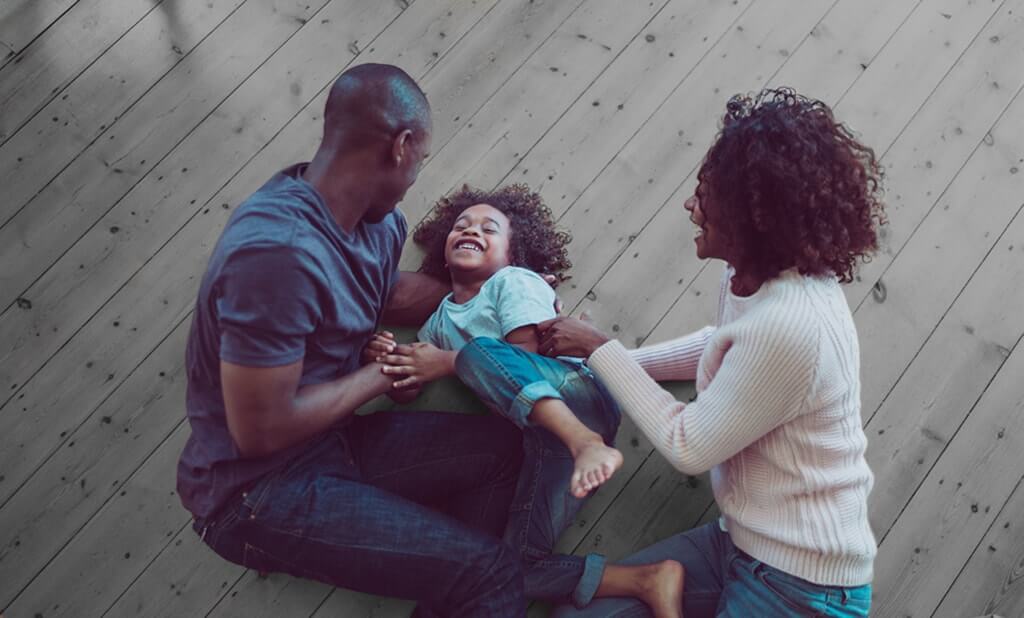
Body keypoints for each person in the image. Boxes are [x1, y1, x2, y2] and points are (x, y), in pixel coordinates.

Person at [176, 63, 530, 617]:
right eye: (423, 158)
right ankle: (472, 579)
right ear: (402, 145)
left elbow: (381, 293)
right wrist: (381, 374)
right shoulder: (276, 251)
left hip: (329, 447)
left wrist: (498, 292)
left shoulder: (377, 225)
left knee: (504, 452)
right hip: (253, 493)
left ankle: (460, 582)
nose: (418, 172)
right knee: (491, 574)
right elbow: (258, 431)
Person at [541, 88, 885, 617]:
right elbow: (720, 347)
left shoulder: (795, 325)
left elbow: (690, 445)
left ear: (754, 217)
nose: (690, 205)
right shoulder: (747, 278)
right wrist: (598, 359)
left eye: (707, 195)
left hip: (805, 587)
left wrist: (601, 350)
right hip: (740, 544)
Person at [369, 185, 685, 615]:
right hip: (543, 440)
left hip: (577, 399)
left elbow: (525, 357)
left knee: (480, 351)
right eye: (461, 226)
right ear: (444, 253)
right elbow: (410, 390)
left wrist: (446, 362)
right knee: (514, 565)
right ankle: (645, 578)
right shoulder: (440, 319)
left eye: (488, 228)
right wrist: (392, 366)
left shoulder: (511, 282)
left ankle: (586, 443)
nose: (471, 230)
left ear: (512, 253)